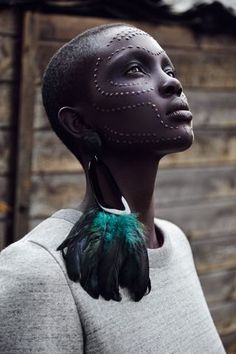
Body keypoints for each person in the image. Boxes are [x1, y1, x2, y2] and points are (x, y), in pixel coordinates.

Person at [0, 23, 226, 353]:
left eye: (169, 68)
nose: (173, 83)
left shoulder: (174, 242)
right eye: (135, 69)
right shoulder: (38, 272)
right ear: (78, 122)